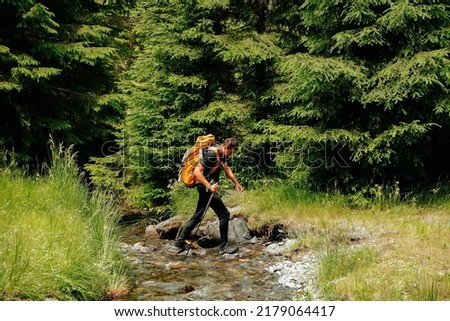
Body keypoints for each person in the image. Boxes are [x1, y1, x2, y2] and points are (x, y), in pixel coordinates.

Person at [175, 137, 244, 255]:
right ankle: (223, 247)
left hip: (207, 187)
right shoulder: (211, 155)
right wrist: (209, 186)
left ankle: (180, 241)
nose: (233, 153)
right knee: (224, 214)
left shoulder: (222, 154)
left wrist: (236, 183)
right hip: (206, 188)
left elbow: (227, 169)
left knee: (198, 215)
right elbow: (197, 172)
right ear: (226, 147)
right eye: (233, 151)